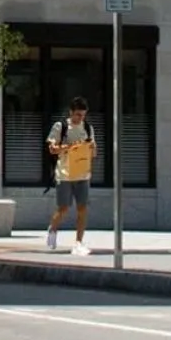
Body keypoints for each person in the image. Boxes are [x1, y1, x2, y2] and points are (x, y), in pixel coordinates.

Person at [45, 97, 98, 254]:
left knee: (82, 208)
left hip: (82, 173)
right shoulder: (60, 126)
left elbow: (93, 153)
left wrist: (92, 148)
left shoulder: (88, 128)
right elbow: (52, 149)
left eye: (82, 115)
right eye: (77, 115)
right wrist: (69, 147)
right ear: (71, 112)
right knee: (64, 207)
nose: (80, 118)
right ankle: (53, 229)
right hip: (65, 173)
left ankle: (78, 242)